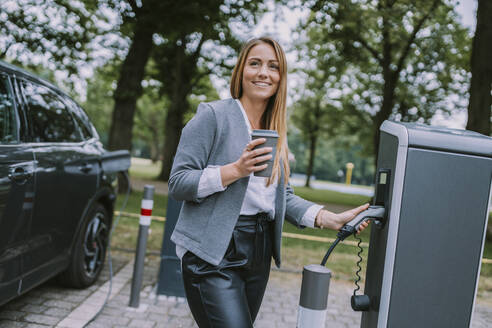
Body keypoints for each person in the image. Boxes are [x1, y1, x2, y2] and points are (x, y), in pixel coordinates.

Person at [169, 36, 370, 328]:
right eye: (255, 63)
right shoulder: (213, 116)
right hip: (213, 254)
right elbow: (178, 183)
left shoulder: (275, 130)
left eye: (273, 66)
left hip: (258, 252)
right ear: (241, 71)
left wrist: (330, 218)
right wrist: (234, 170)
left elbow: (281, 198)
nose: (264, 72)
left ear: (280, 77)